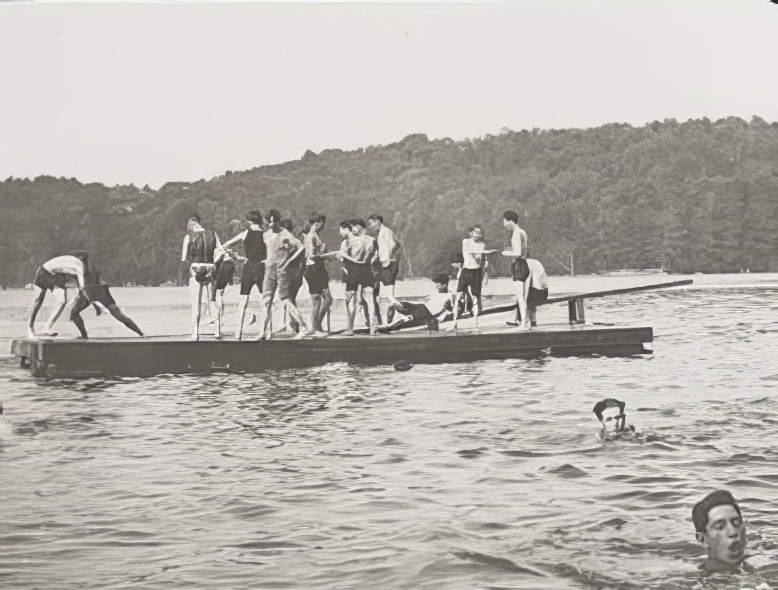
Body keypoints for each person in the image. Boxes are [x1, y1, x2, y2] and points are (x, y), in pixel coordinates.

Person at [220, 209, 266, 340]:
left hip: (249, 266)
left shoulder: (245, 233)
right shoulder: (265, 234)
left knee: (244, 300)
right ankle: (264, 332)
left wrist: (235, 256)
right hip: (262, 267)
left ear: (249, 221)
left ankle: (238, 332)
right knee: (265, 301)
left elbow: (225, 245)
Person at [69, 267, 144, 339]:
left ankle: (141, 333)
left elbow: (93, 274)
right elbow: (82, 284)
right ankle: (84, 335)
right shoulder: (78, 270)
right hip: (88, 292)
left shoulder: (89, 265)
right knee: (73, 313)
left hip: (98, 291)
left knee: (118, 315)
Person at [28, 252, 89, 338]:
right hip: (46, 273)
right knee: (47, 299)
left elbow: (63, 270)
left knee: (45, 300)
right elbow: (82, 287)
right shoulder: (81, 267)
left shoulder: (74, 260)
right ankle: (39, 327)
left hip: (46, 272)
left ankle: (38, 327)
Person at [181, 215, 222, 340]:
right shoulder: (213, 234)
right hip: (210, 268)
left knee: (196, 303)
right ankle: (217, 331)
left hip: (196, 268)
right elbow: (221, 251)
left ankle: (195, 333)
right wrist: (215, 265)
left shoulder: (189, 237)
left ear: (192, 225)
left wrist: (190, 268)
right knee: (212, 302)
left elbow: (184, 258)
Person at [338, 218, 378, 335]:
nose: (353, 229)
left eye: (354, 227)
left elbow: (342, 258)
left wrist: (343, 259)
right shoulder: (371, 240)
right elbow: (375, 255)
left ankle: (350, 328)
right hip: (366, 269)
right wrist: (369, 261)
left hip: (353, 270)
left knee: (351, 300)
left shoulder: (349, 241)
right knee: (370, 298)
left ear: (358, 227)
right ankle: (372, 327)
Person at [692, 490, 747, 572]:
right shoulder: (694, 582)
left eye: (737, 523)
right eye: (720, 527)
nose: (733, 532)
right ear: (702, 539)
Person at [452, 225, 494, 330]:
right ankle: (454, 323)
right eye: (476, 233)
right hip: (466, 270)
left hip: (476, 271)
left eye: (480, 233)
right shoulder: (465, 241)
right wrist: (481, 254)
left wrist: (484, 259)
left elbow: (480, 259)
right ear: (471, 233)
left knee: (476, 297)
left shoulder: (482, 245)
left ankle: (476, 324)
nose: (478, 235)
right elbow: (471, 252)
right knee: (458, 295)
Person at [275, 218, 308, 337]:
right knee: (291, 299)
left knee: (285, 299)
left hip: (287, 272)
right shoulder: (293, 238)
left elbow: (301, 247)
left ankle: (302, 325)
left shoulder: (286, 236)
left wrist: (287, 261)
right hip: (295, 272)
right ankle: (292, 327)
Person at [367, 214, 401, 323]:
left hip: (388, 262)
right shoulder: (380, 233)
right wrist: (374, 258)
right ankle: (390, 312)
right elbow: (381, 249)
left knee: (388, 285)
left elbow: (393, 245)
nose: (370, 226)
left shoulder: (385, 232)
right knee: (387, 286)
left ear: (377, 221)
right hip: (383, 262)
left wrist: (389, 258)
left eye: (371, 223)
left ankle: (393, 307)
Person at [303, 214, 334, 336]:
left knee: (327, 299)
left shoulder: (315, 236)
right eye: (319, 224)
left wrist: (326, 253)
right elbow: (312, 255)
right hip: (313, 268)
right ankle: (314, 328)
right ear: (314, 223)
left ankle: (317, 325)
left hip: (318, 268)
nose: (321, 227)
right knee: (317, 299)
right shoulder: (310, 236)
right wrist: (326, 253)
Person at [501, 209, 530, 329]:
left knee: (520, 297)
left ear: (510, 221)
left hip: (518, 265)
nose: (504, 225)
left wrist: (506, 253)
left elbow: (517, 253)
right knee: (522, 296)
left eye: (504, 221)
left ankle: (524, 323)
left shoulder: (516, 233)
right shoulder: (522, 232)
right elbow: (525, 251)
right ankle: (525, 322)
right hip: (524, 264)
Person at [506, 258, 549, 328]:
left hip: (537, 292)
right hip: (544, 291)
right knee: (524, 296)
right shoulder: (532, 263)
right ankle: (531, 320)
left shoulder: (524, 267)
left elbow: (526, 291)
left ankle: (522, 320)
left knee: (522, 297)